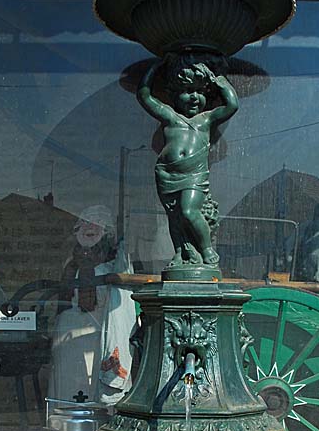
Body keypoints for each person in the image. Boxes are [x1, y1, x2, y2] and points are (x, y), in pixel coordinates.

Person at [137, 57, 238, 268]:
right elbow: (144, 96)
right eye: (188, 91)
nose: (194, 97)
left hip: (194, 174)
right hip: (167, 173)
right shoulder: (170, 117)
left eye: (200, 92)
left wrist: (220, 81)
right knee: (174, 217)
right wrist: (155, 67)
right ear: (174, 94)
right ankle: (180, 252)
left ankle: (206, 248)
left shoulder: (206, 120)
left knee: (189, 211)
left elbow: (232, 105)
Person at [49, 205, 136, 407]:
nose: (90, 227)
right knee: (66, 390)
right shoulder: (71, 263)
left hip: (98, 335)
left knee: (95, 390)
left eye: (97, 222)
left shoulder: (115, 264)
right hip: (68, 337)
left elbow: (121, 303)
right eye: (85, 221)